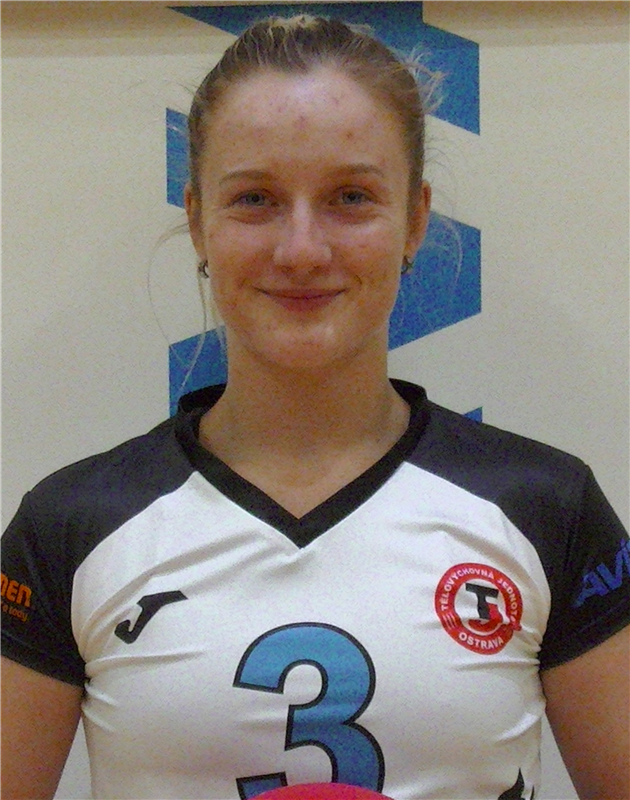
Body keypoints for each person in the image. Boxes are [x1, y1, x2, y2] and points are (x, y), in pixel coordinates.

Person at [0, 14, 628, 800]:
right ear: (197, 220)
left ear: (416, 219)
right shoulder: (71, 526)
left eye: (350, 197)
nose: (301, 250)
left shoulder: (546, 506)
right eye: (255, 198)